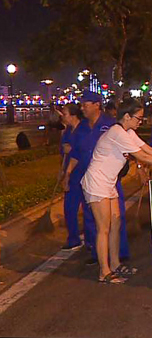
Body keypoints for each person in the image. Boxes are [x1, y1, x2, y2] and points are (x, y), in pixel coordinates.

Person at [82, 98, 152, 283]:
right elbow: (142, 156)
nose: (140, 122)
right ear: (127, 116)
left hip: (109, 182)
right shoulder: (117, 132)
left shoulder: (128, 132)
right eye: (138, 118)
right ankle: (104, 271)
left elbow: (148, 148)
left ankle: (115, 265)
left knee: (116, 224)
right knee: (103, 228)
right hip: (97, 183)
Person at [63, 90, 130, 265]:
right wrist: (68, 173)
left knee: (116, 217)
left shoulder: (111, 124)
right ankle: (96, 253)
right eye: (82, 105)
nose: (82, 108)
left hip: (110, 179)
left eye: (85, 105)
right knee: (90, 217)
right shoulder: (81, 128)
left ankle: (119, 252)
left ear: (96, 105)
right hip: (89, 181)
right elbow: (76, 154)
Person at [60, 103, 84, 250]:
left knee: (89, 211)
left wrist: (72, 149)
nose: (63, 116)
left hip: (84, 173)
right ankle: (73, 237)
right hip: (71, 175)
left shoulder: (85, 130)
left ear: (74, 115)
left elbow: (83, 150)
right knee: (69, 208)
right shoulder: (67, 132)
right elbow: (63, 153)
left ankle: (92, 241)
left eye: (65, 113)